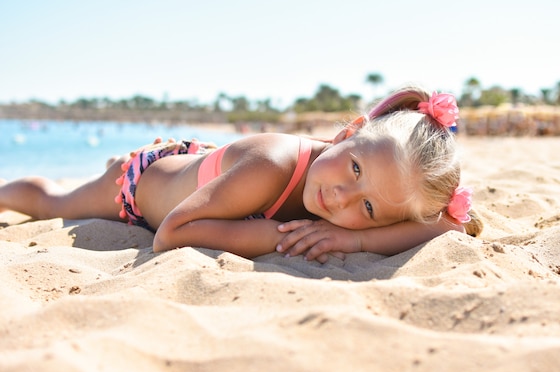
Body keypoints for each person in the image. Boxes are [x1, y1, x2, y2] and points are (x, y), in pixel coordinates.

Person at [0, 85, 482, 262]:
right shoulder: (274, 164)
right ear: (347, 133)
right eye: (354, 168)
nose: (340, 198)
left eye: (369, 208)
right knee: (54, 202)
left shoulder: (369, 198)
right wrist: (281, 237)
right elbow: (170, 234)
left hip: (216, 176)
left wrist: (352, 242)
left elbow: (441, 224)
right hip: (143, 186)